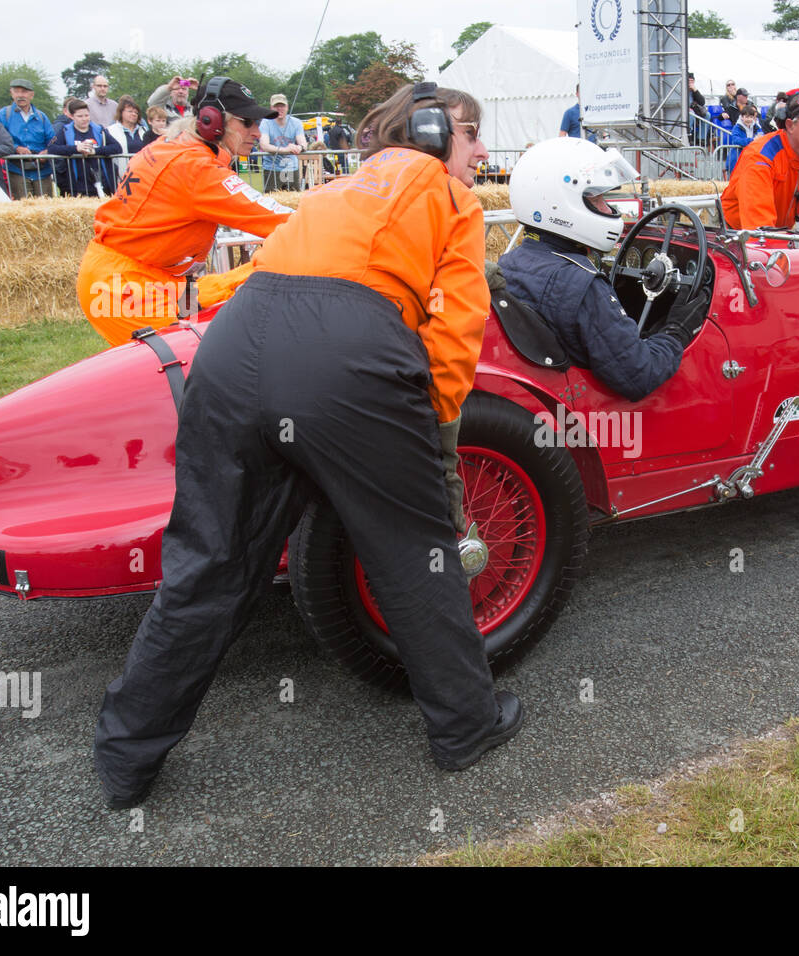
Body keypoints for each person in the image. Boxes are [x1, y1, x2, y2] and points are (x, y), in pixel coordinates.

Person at [93, 81, 518, 809]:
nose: (481, 151)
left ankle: (124, 758)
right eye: (471, 135)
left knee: (207, 563)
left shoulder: (330, 194)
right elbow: (451, 338)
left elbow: (257, 281)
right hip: (343, 359)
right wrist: (427, 444)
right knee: (413, 551)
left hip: (230, 354)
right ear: (431, 136)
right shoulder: (455, 202)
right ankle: (466, 726)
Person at [75, 77, 292, 346]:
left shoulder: (177, 149)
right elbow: (286, 223)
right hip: (126, 287)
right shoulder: (196, 167)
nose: (257, 132)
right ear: (211, 120)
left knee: (204, 328)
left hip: (153, 277)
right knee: (191, 359)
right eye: (246, 122)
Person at [500, 137, 710, 401]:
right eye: (597, 198)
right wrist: (676, 330)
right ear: (560, 204)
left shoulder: (509, 263)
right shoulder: (582, 285)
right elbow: (639, 374)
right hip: (597, 422)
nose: (608, 208)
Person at [721, 91, 799, 231]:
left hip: (777, 232)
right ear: (790, 125)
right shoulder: (760, 156)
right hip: (736, 235)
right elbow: (759, 228)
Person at [0, 78, 55, 198]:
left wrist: (47, 151)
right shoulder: (3, 115)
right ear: (11, 94)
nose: (20, 95)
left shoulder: (41, 116)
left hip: (42, 170)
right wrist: (16, 148)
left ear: (32, 95)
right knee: (24, 210)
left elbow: (53, 140)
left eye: (24, 92)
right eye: (16, 91)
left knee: (47, 208)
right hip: (17, 170)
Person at [48, 100, 121, 196]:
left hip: (101, 180)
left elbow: (117, 147)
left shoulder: (99, 130)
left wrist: (95, 151)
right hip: (78, 183)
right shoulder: (65, 131)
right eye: (80, 116)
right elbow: (52, 148)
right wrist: (75, 149)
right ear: (72, 116)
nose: (84, 119)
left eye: (86, 115)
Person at [259, 93, 306, 191]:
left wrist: (299, 147)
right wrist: (286, 150)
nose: (279, 109)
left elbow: (303, 143)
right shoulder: (265, 123)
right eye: (276, 106)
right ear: (271, 107)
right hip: (272, 169)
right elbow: (264, 145)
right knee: (272, 202)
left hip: (291, 168)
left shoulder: (296, 122)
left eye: (282, 106)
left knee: (294, 200)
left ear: (287, 107)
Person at [107, 95, 146, 177]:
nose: (134, 114)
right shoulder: (110, 131)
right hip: (121, 176)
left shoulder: (144, 131)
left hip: (142, 175)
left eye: (136, 112)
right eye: (130, 111)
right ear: (121, 112)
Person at [727, 104, 762, 175]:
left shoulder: (756, 127)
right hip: (737, 159)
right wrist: (752, 140)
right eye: (746, 117)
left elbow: (761, 137)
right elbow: (736, 140)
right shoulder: (737, 128)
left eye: (751, 117)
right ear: (742, 117)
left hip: (750, 159)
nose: (749, 119)